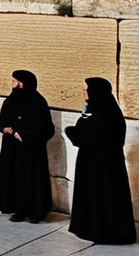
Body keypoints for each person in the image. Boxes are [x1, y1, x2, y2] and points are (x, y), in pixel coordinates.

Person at [65, 78, 136, 245]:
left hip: (98, 165)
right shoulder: (106, 108)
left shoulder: (100, 112)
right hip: (102, 164)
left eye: (86, 90)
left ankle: (99, 231)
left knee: (99, 196)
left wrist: (71, 131)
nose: (84, 93)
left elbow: (87, 136)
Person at [0, 70, 55, 223]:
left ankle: (35, 212)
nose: (14, 85)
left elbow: (47, 128)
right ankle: (17, 210)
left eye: (17, 82)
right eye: (13, 81)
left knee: (31, 179)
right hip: (12, 148)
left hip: (31, 150)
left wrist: (26, 135)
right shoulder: (11, 100)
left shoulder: (38, 102)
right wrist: (4, 128)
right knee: (15, 178)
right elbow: (3, 120)